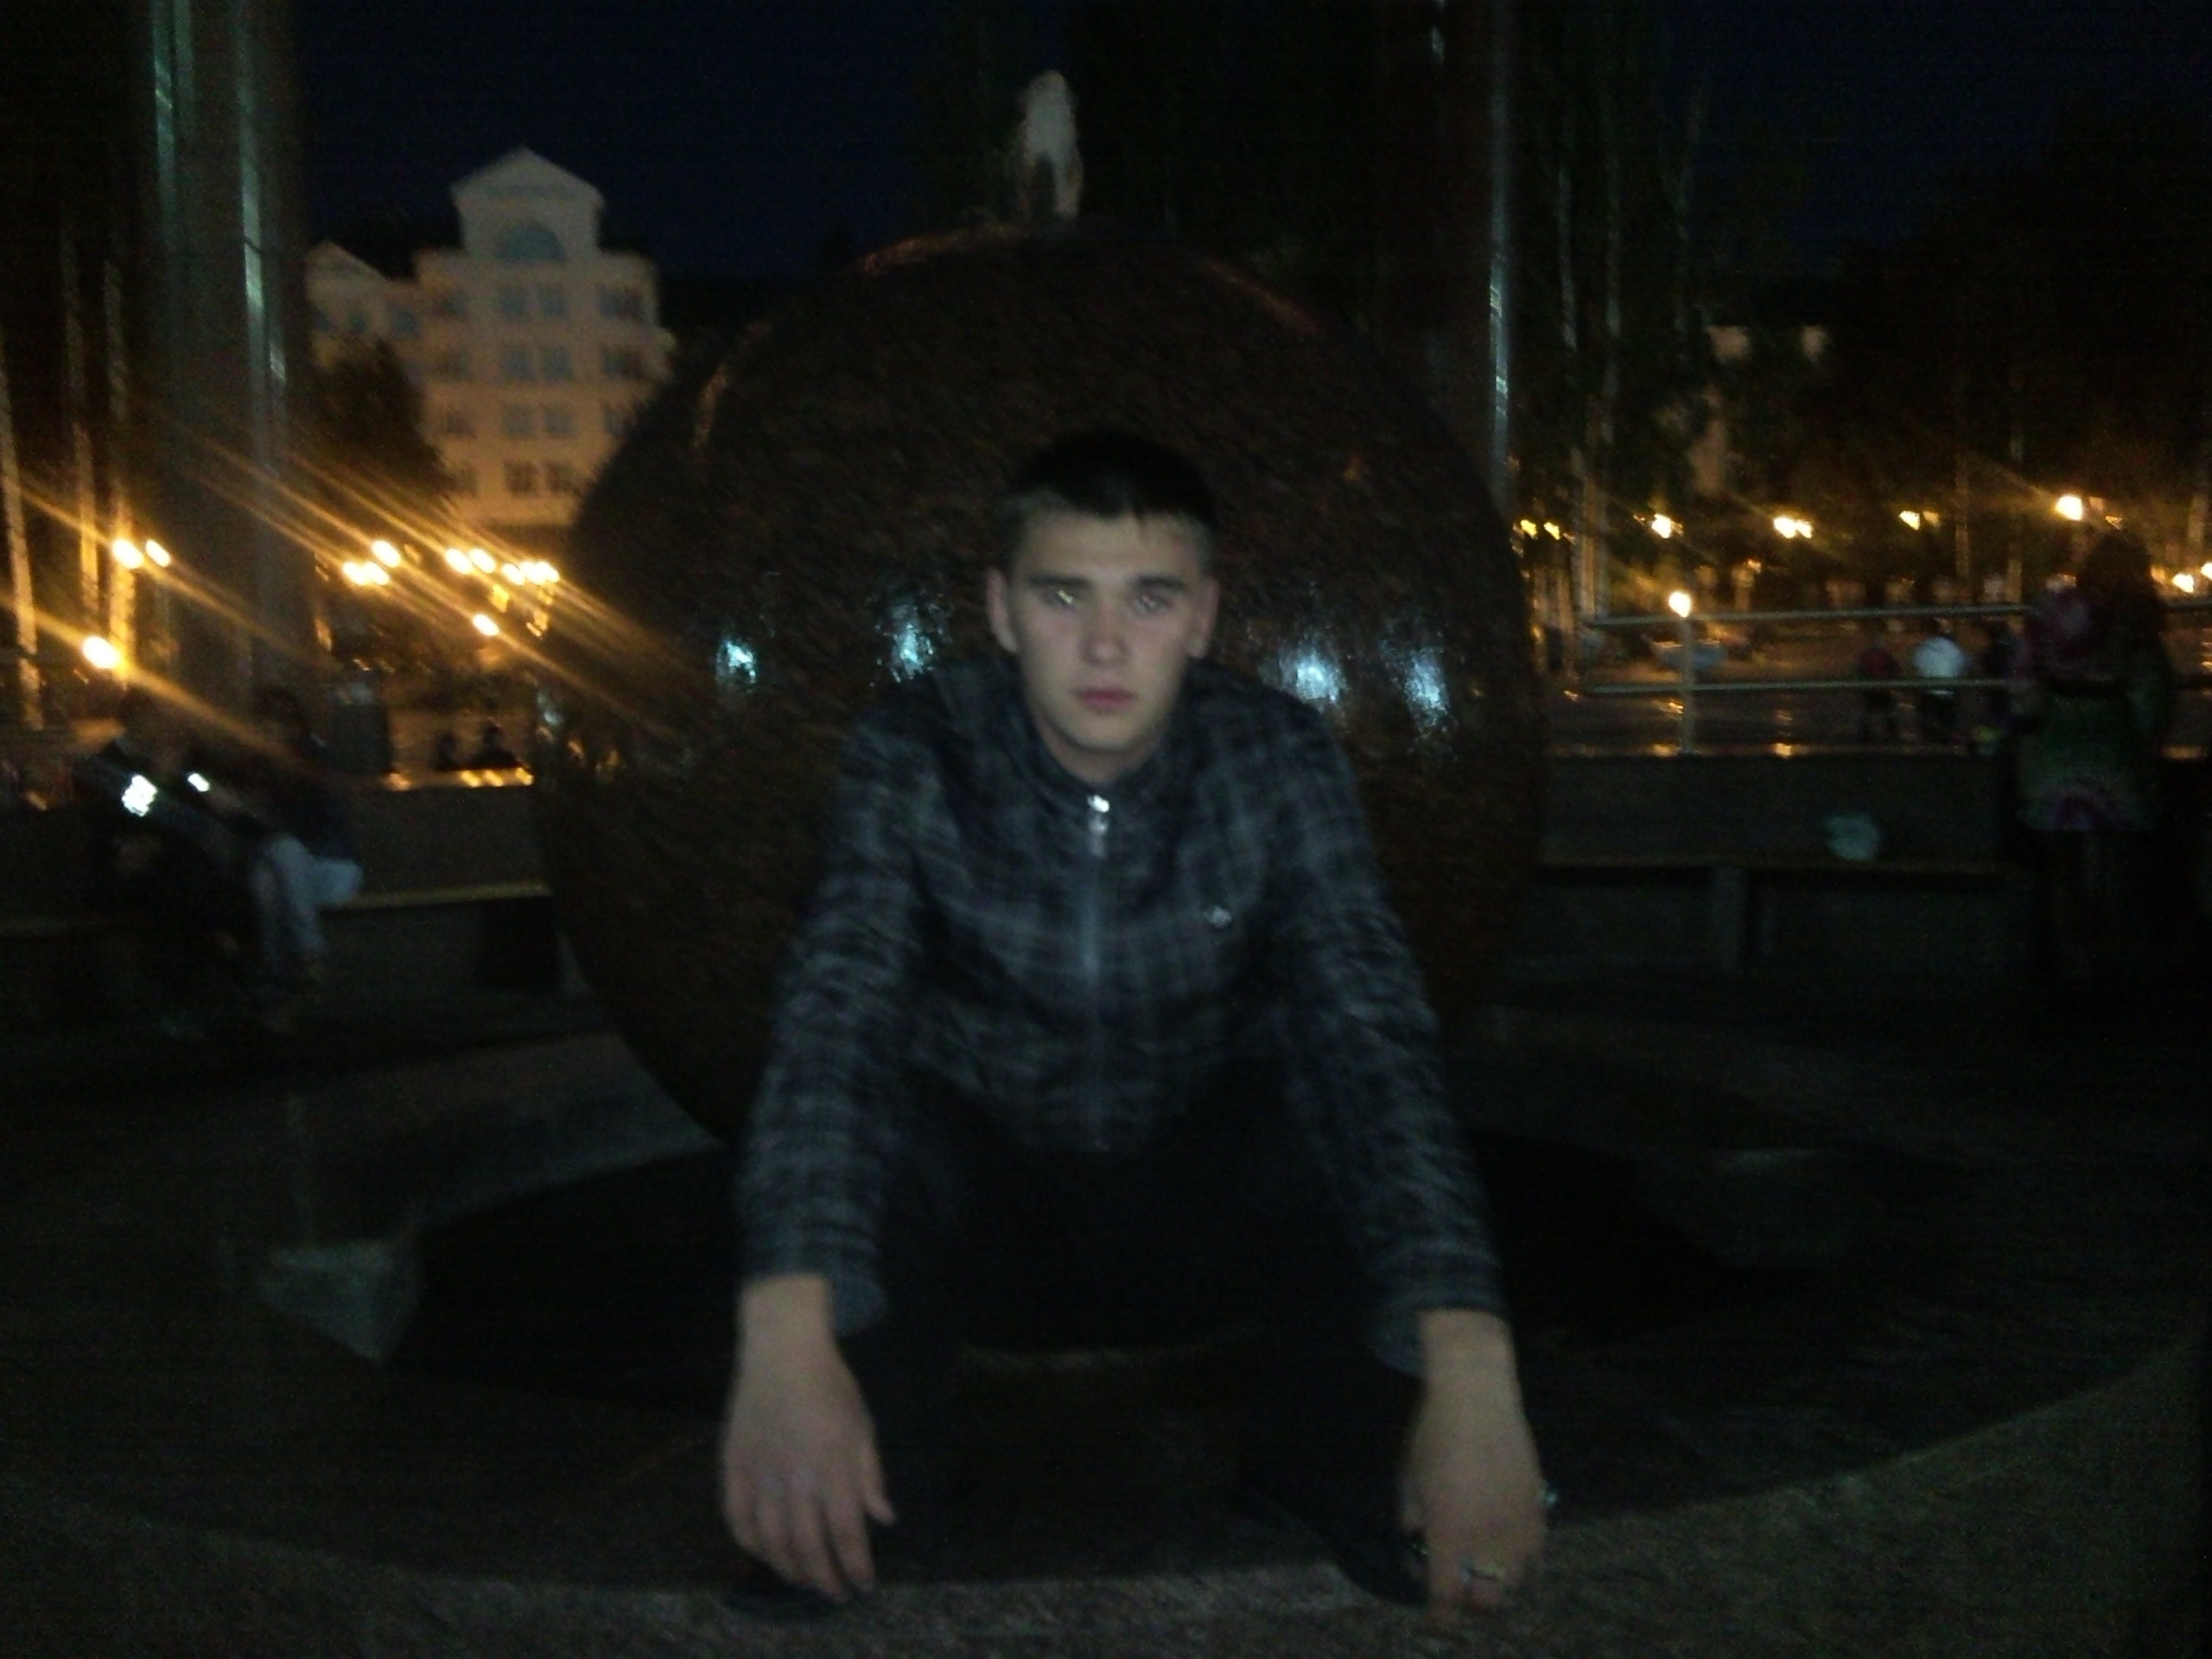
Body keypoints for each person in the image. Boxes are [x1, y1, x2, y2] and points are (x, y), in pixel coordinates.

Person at [719, 432, 1547, 1630]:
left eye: (1149, 600)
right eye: (1065, 596)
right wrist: (780, 1335)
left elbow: (1373, 1036)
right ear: (1001, 610)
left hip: (1191, 1200)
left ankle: (1326, 1472)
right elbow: (833, 1017)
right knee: (872, 1122)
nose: (1105, 646)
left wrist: (1473, 1363)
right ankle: (863, 1500)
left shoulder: (1274, 756)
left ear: (1202, 617)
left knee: (1331, 1100)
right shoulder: (917, 748)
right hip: (988, 1210)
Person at [2008, 533, 2175, 980]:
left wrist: (2035, 719)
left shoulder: (2049, 607)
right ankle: (2113, 958)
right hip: (2115, 753)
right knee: (2117, 864)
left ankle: (2071, 958)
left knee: (2060, 868)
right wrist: (2147, 739)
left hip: (2056, 751)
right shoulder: (2135, 617)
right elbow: (2152, 694)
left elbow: (2024, 681)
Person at [72, 687, 252, 1034]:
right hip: (121, 867)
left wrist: (210, 791)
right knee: (181, 888)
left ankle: (210, 975)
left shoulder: (180, 757)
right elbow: (127, 814)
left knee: (186, 880)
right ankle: (224, 955)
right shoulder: (105, 764)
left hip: (172, 861)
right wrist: (160, 778)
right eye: (158, 719)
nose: (165, 727)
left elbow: (199, 795)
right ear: (135, 722)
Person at [228, 687, 364, 1007]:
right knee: (266, 881)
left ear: (293, 728)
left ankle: (292, 966)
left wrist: (256, 814)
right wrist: (241, 813)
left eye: (275, 727)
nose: (268, 736)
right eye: (263, 728)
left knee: (285, 852)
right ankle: (295, 974)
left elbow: (315, 827)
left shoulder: (316, 762)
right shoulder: (252, 766)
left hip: (327, 867)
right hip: (284, 872)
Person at [1910, 620, 1970, 745]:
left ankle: (1929, 741)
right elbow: (1963, 666)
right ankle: (1946, 741)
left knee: (1928, 721)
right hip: (1949, 691)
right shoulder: (1953, 647)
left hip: (1929, 692)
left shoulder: (1923, 648)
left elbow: (1917, 669)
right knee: (1947, 721)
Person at [1853, 627, 1902, 744]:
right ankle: (1892, 734)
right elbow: (1896, 668)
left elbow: (1859, 670)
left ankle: (1866, 735)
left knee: (1868, 712)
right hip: (1884, 688)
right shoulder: (1887, 656)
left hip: (1870, 689)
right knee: (1888, 712)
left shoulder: (1865, 656)